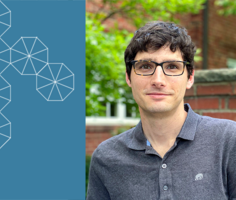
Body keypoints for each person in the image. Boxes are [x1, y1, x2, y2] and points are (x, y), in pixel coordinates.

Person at [86, 21, 236, 200]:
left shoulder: (228, 140)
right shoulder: (106, 158)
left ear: (190, 78)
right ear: (128, 77)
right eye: (145, 66)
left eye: (172, 67)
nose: (158, 80)